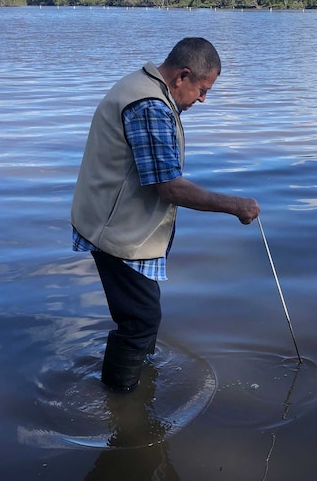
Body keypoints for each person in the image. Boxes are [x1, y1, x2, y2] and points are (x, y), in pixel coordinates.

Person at [71, 37, 260, 392]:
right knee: (140, 320)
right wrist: (235, 206)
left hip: (108, 219)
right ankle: (120, 402)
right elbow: (169, 187)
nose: (204, 99)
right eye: (203, 89)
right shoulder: (151, 106)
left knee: (143, 313)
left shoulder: (141, 83)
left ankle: (139, 379)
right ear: (182, 76)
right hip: (116, 232)